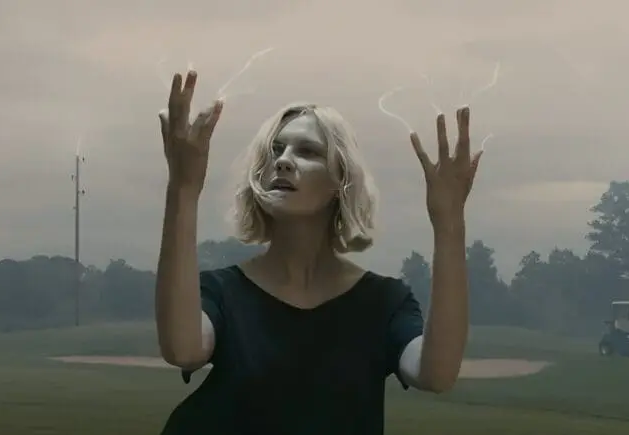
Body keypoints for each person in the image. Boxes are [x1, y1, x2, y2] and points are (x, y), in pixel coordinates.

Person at [154, 70, 481, 435]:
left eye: (307, 151)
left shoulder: (383, 302)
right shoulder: (223, 291)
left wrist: (449, 221)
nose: (283, 161)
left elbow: (436, 374)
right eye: (276, 150)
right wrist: (182, 188)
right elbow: (182, 350)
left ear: (341, 182)